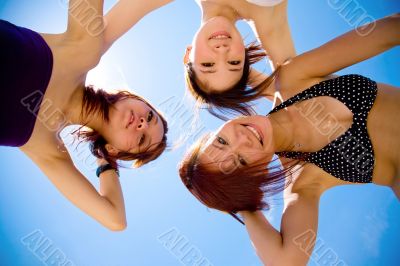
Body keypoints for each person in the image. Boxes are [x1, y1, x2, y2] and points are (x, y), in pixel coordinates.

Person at [179, 14, 400, 265]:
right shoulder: (303, 182)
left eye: (221, 141)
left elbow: (389, 31)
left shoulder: (292, 79)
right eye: (240, 162)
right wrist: (242, 205)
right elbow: (287, 262)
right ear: (256, 177)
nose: (242, 140)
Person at [0, 0, 174, 231]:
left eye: (142, 140)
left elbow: (115, 220)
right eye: (150, 117)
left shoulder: (47, 149)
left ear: (113, 149)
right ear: (133, 98)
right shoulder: (83, 51)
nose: (142, 124)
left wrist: (105, 161)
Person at [184, 0, 296, 119]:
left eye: (208, 64)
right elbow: (295, 92)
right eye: (234, 62)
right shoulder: (268, 23)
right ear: (244, 56)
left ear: (188, 55)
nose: (222, 50)